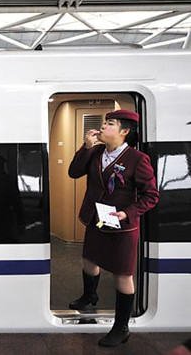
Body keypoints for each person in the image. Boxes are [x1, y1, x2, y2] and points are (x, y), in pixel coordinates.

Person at [68, 109, 159, 347]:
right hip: (96, 219)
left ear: (124, 132)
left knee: (122, 276)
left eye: (109, 124)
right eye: (104, 123)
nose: (103, 127)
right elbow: (74, 172)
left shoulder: (137, 159)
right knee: (89, 260)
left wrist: (127, 213)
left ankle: (121, 327)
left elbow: (151, 196)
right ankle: (90, 295)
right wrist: (85, 147)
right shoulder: (96, 151)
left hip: (122, 227)